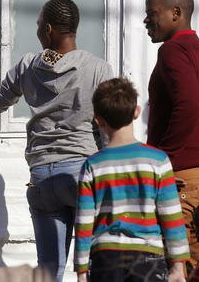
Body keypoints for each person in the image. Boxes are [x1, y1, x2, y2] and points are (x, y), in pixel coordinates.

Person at [0, 0, 113, 281]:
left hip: (42, 178)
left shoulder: (28, 67)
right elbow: (106, 132)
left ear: (48, 29)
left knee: (49, 271)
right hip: (82, 177)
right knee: (95, 268)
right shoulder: (98, 69)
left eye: (37, 24)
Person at [73, 77, 189, 282]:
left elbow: (84, 222)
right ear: (137, 112)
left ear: (98, 120)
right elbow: (171, 216)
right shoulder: (158, 161)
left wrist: (82, 271)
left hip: (105, 259)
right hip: (148, 258)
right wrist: (178, 265)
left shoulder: (92, 165)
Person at [143, 0, 199, 270]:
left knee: (183, 268)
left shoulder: (172, 51)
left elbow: (190, 106)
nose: (145, 20)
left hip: (183, 182)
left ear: (176, 13)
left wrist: (164, 157)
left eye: (151, 13)